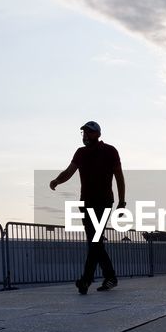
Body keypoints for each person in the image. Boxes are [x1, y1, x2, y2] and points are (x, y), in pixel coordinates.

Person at [49, 121, 125, 294]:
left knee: (95, 241)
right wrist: (57, 180)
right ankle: (108, 277)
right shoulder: (81, 153)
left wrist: (122, 202)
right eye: (83, 133)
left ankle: (87, 280)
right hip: (86, 203)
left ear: (98, 134)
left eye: (89, 133)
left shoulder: (110, 151)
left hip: (104, 202)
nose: (85, 136)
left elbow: (119, 177)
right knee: (94, 242)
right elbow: (69, 171)